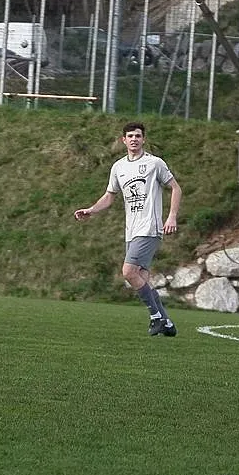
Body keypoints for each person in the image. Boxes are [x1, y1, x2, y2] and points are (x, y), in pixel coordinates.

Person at [74, 122, 182, 337]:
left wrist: (171, 216)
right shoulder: (118, 167)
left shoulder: (154, 163)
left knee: (128, 272)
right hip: (131, 231)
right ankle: (167, 324)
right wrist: (91, 210)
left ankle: (156, 317)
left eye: (138, 136)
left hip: (149, 228)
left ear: (143, 139)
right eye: (130, 136)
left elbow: (176, 188)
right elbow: (109, 196)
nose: (134, 139)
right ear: (123, 140)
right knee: (141, 277)